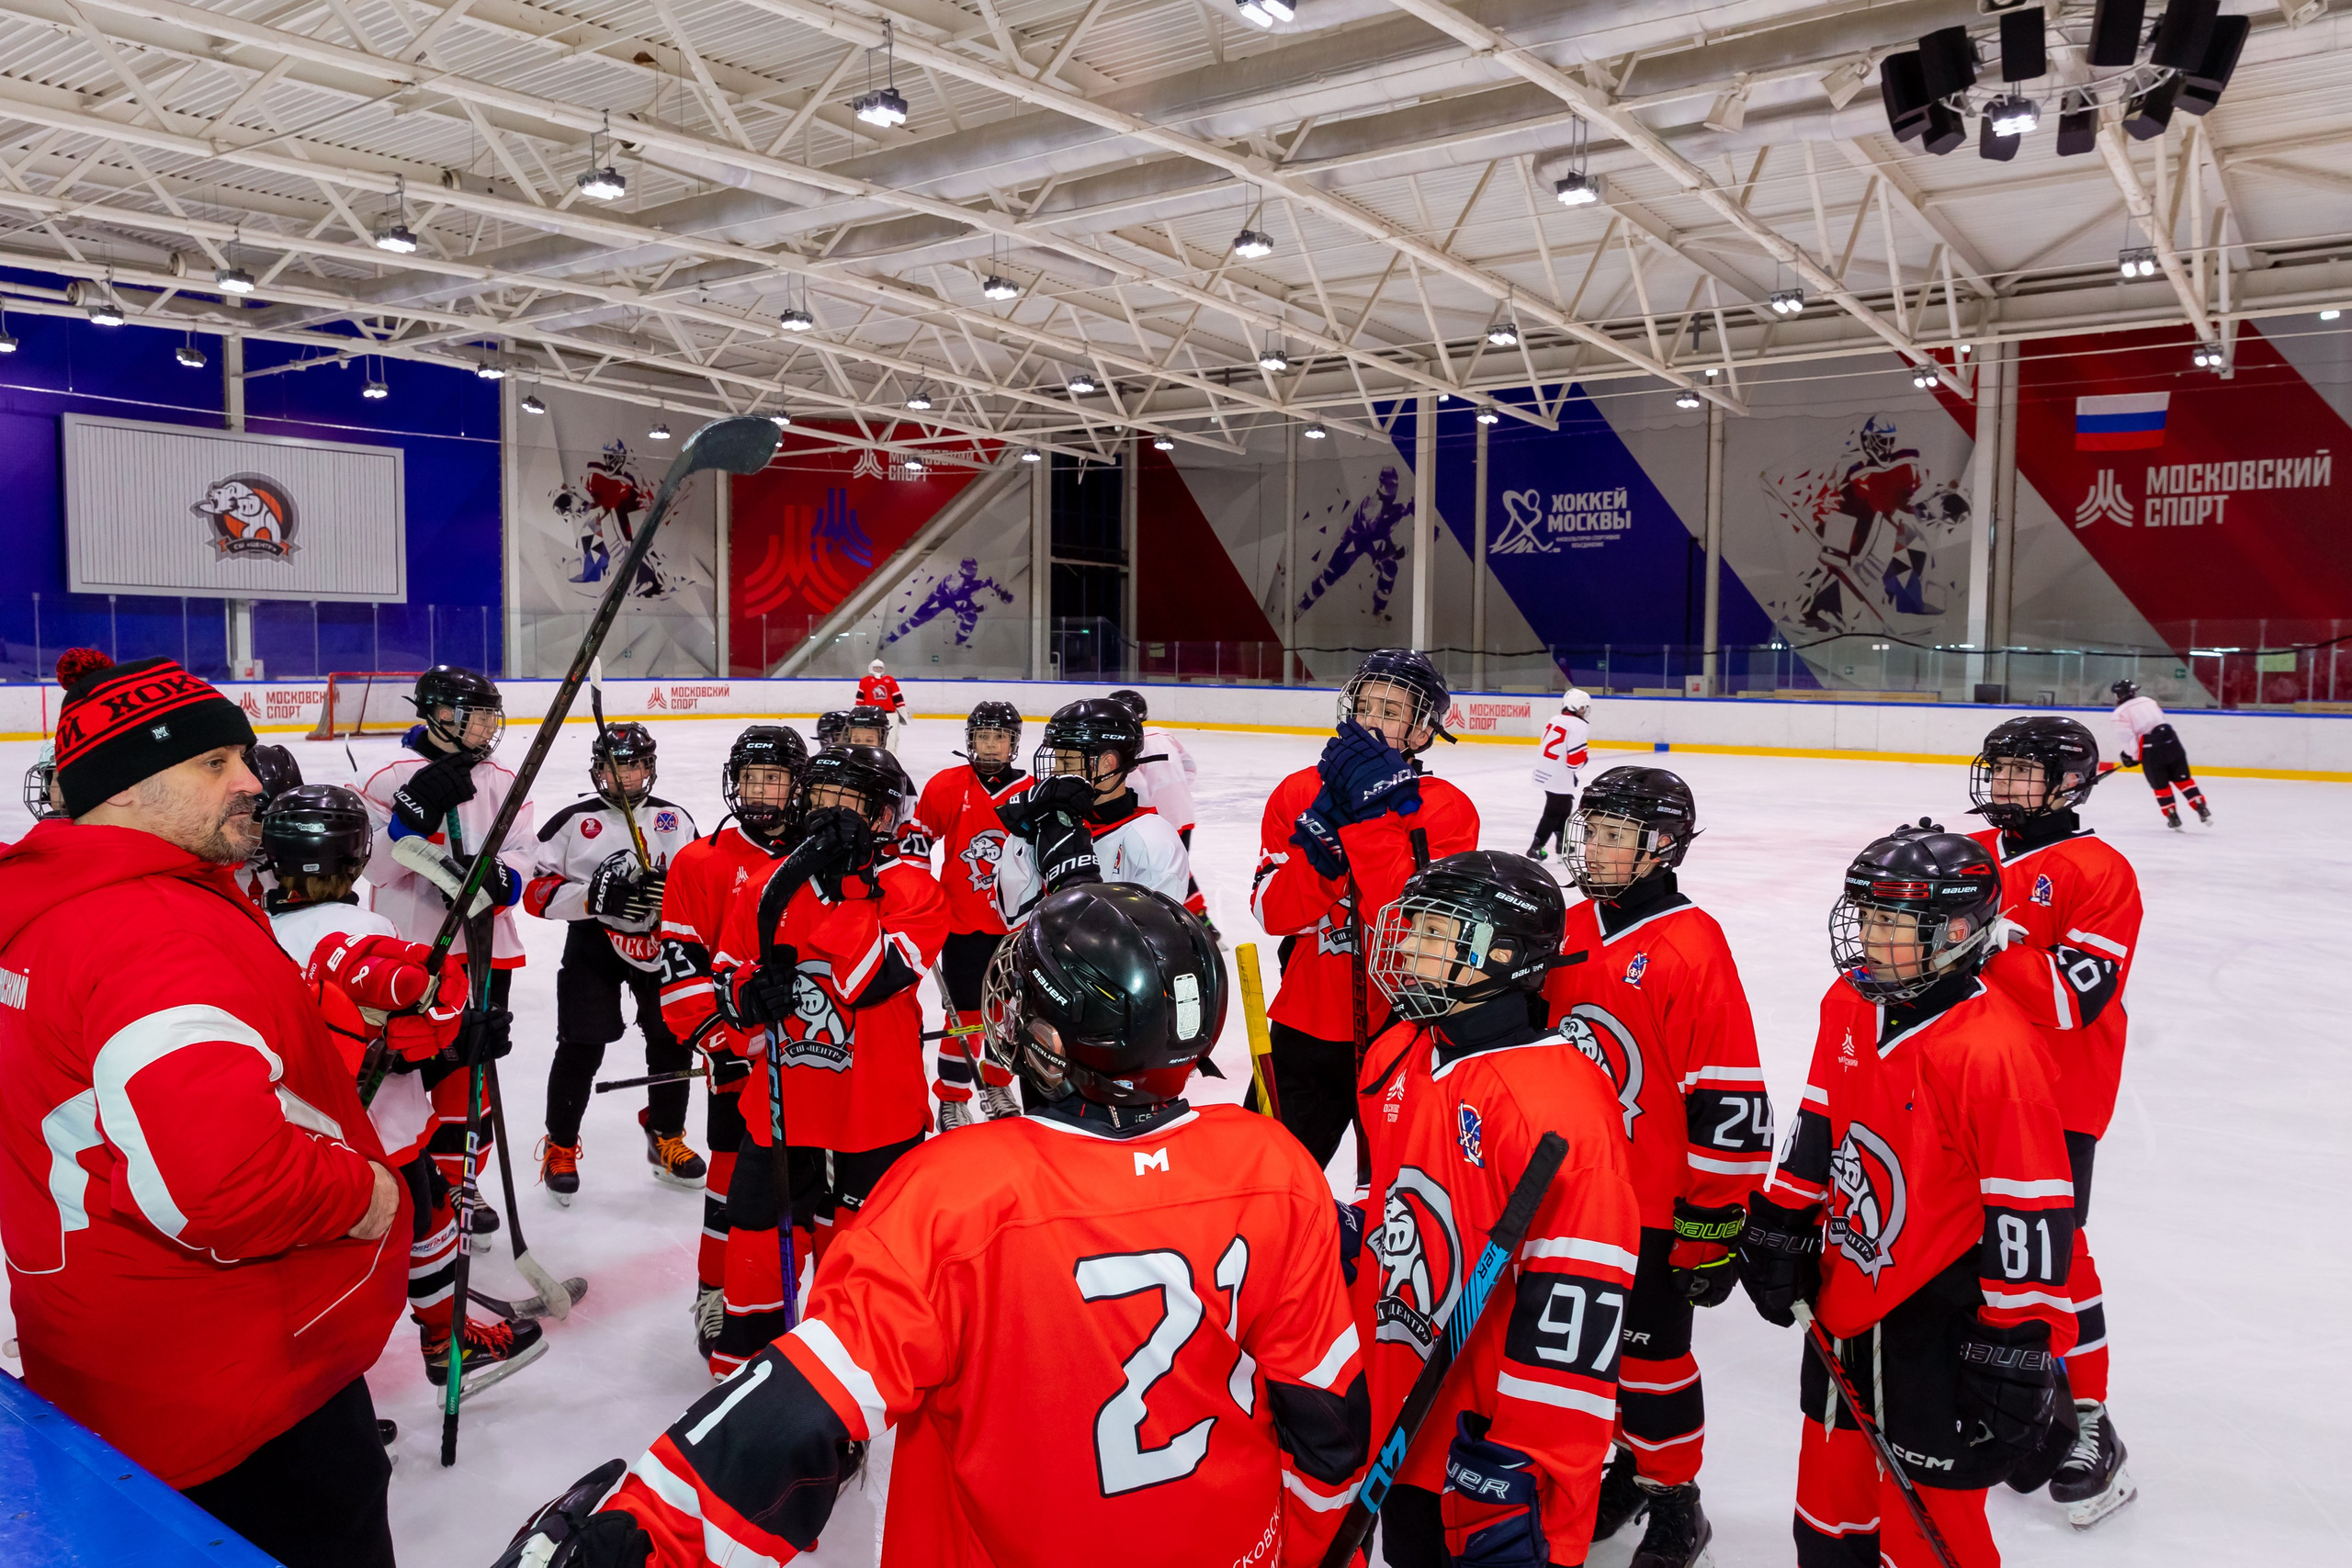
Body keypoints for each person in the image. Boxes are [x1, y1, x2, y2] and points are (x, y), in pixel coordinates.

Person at [492, 885, 1368, 1568]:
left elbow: (807, 1412)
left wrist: (639, 1532)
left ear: (1052, 1044)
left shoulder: (955, 1192)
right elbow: (1327, 1418)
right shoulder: (1272, 1162)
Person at [0, 652, 405, 1568]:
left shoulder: (50, 906)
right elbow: (226, 1188)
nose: (251, 783)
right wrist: (367, 1194)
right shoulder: (152, 931)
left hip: (108, 1365)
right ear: (130, 785)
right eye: (215, 763)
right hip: (240, 1399)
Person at [1740, 822, 2077, 1568]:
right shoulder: (1850, 1001)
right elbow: (1820, 1118)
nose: (1868, 936)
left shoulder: (1993, 1048)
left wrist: (2014, 1342)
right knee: (1827, 1513)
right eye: (1865, 916)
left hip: (1939, 1314)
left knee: (1931, 1531)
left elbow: (2032, 1210)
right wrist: (1781, 1220)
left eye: (1891, 921)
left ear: (1959, 931)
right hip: (1843, 1291)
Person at [1356, 852, 1642, 1568]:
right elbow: (1411, 1201)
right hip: (1405, 1418)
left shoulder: (1559, 1104)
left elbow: (1577, 1320)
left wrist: (1530, 1462)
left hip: (1486, 1452)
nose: (1408, 942)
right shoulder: (1402, 1051)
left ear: (1505, 956)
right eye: (1414, 922)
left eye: (1436, 930)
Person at [1539, 766, 1769, 1565]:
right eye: (1589, 830)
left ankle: (1678, 1499)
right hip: (1570, 1197)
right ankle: (1628, 1466)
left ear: (1662, 846)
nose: (1592, 848)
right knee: (1582, 1352)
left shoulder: (1689, 945)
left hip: (1653, 1207)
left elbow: (1730, 1097)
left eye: (1613, 835)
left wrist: (1710, 1224)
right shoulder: (1569, 925)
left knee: (1652, 1361)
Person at [262, 784, 543, 1395]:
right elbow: (417, 1009)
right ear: (358, 856)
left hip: (296, 1127)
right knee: (426, 1220)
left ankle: (319, 1390)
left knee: (336, 1245)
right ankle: (444, 1345)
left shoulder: (254, 929)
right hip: (381, 1128)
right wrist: (460, 1027)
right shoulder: (361, 923)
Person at [701, 745, 950, 1374]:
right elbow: (729, 982)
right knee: (756, 1233)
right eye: (823, 799)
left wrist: (845, 882)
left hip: (875, 1111)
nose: (833, 815)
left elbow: (870, 979)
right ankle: (743, 1374)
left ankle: (843, 1378)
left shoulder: (914, 889)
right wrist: (747, 997)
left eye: (852, 804)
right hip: (784, 1104)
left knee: (863, 1251)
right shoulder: (763, 887)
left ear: (884, 817)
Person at [1964, 716, 2143, 1526]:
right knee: (1963, 1245)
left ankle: (2094, 1426)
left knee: (2055, 1255)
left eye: (2020, 773)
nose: (2002, 786)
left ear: (2070, 782)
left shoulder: (2100, 870)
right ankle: (2008, 1395)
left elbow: (2076, 996)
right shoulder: (1971, 851)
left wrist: (1991, 936)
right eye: (1996, 771)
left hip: (2055, 1098)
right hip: (1961, 1082)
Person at [1250, 649, 1480, 1171]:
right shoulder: (1300, 792)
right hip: (1304, 1023)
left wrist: (1370, 816)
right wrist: (1330, 851)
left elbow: (1414, 924)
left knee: (1398, 1193)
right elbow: (1273, 914)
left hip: (1407, 1028)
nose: (1372, 722)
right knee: (1267, 1178)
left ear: (1422, 733)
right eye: (1365, 706)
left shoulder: (1445, 807)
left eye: (1393, 711)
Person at [360, 665, 531, 1255]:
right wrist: (411, 818)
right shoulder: (387, 776)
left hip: (484, 953)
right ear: (435, 712)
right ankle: (414, 1181)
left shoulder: (506, 779)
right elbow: (375, 867)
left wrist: (495, 879)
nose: (487, 725)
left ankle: (462, 1182)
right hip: (411, 953)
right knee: (405, 1072)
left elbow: (521, 860)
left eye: (490, 714)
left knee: (469, 1071)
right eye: (473, 713)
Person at [656, 724, 807, 1364]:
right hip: (740, 1064)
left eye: (774, 778)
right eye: (751, 778)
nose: (762, 792)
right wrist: (723, 1041)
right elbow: (678, 981)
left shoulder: (820, 856)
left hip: (814, 1062)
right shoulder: (700, 861)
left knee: (809, 1197)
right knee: (729, 1188)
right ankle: (715, 1289)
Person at [527, 721, 704, 1202]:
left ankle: (666, 1135)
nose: (623, 775)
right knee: (581, 1045)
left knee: (672, 1040)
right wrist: (591, 897)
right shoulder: (571, 822)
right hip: (592, 946)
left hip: (661, 943)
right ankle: (560, 1145)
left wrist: (675, 896)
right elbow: (534, 891)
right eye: (612, 765)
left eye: (633, 765)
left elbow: (703, 883)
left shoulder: (676, 819)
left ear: (649, 767)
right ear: (597, 769)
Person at [910, 699, 1033, 1129]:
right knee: (962, 1016)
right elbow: (916, 846)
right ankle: (952, 1097)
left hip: (1016, 927)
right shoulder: (947, 786)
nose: (991, 745)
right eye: (984, 736)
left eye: (1000, 737)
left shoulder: (1032, 790)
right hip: (962, 924)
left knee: (1008, 1012)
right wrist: (920, 899)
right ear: (971, 740)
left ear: (1014, 743)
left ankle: (998, 1084)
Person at [994, 698, 1193, 925]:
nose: (1056, 773)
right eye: (1057, 761)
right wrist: (1022, 836)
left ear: (1107, 764)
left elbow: (1149, 939)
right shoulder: (1047, 823)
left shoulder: (1153, 839)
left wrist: (1075, 887)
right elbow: (1013, 917)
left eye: (1067, 764)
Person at [1108, 686, 1212, 926]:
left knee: (1163, 871)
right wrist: (1176, 793)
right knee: (1178, 866)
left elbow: (1136, 789)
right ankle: (1200, 918)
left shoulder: (1130, 745)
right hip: (1184, 813)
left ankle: (1190, 921)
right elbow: (1190, 767)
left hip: (1160, 820)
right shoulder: (1163, 734)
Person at [2109, 679, 2211, 829]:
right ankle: (2200, 806)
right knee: (2183, 779)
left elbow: (2128, 739)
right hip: (2172, 742)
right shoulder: (2148, 701)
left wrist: (2132, 757)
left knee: (2160, 785)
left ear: (2119, 694)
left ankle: (2172, 816)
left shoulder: (2119, 713)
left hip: (2151, 751)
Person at [1526, 688, 1591, 862]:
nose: (1584, 712)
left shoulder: (1555, 719)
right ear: (1576, 707)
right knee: (1554, 810)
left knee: (1564, 806)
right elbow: (1574, 762)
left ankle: (1562, 845)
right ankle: (1536, 847)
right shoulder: (1579, 725)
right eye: (1583, 707)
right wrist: (1583, 761)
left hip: (1545, 770)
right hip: (1558, 774)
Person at [855, 658, 907, 750]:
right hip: (871, 714)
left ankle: (891, 752)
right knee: (872, 735)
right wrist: (859, 711)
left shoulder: (890, 680)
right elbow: (860, 698)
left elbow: (897, 697)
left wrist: (902, 710)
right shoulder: (864, 681)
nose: (878, 670)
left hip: (890, 713)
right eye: (876, 668)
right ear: (871, 668)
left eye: (880, 668)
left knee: (892, 735)